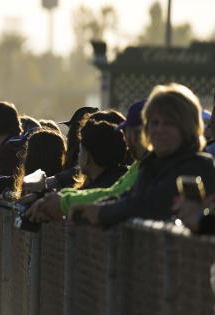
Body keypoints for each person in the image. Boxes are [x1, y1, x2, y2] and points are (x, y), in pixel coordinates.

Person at [70, 83, 215, 227]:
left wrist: (100, 213)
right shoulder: (152, 163)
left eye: (169, 123)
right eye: (154, 123)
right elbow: (129, 197)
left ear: (187, 127)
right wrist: (93, 208)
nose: (159, 129)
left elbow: (152, 202)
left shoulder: (197, 165)